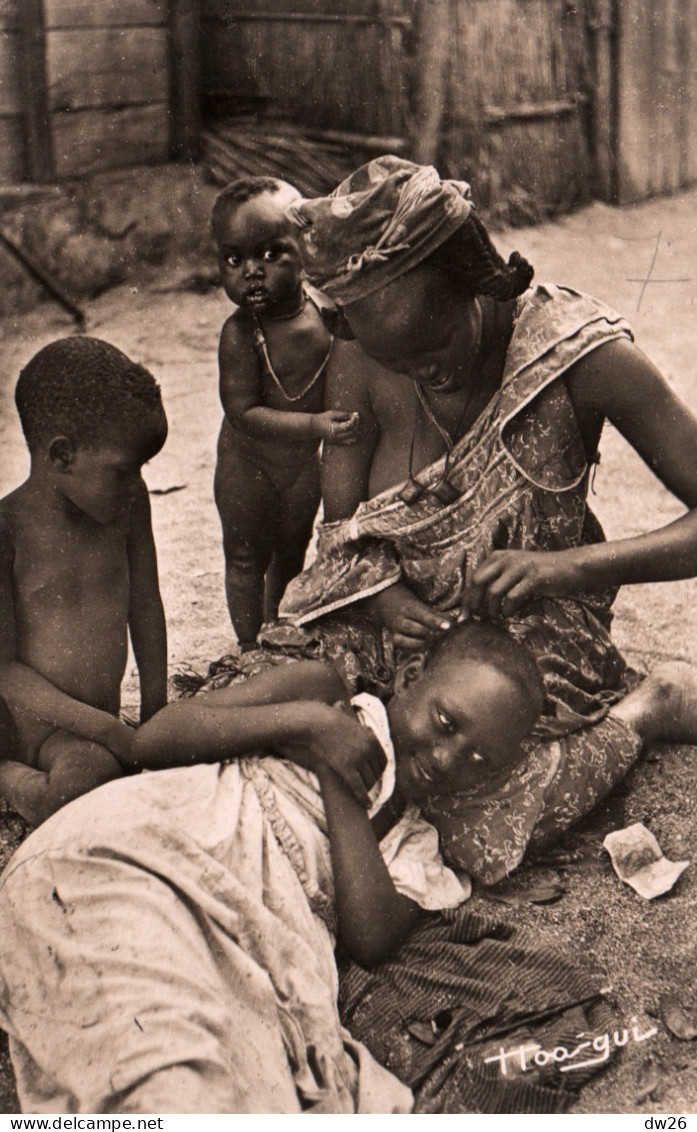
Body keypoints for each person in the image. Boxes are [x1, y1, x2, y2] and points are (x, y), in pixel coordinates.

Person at [277, 155, 697, 883]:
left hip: (528, 640)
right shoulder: (358, 354)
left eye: (437, 347)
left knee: (472, 814)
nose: (425, 375)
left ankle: (645, 709)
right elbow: (339, 530)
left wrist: (562, 567)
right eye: (400, 363)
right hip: (391, 620)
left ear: (477, 287)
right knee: (271, 712)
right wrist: (380, 596)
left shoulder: (578, 357)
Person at [0, 620, 542, 1114]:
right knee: (161, 1059)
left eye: (479, 761)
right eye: (446, 723)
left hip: (246, 939)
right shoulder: (321, 693)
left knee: (231, 1078)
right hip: (149, 854)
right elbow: (153, 741)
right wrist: (308, 725)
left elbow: (371, 936)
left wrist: (337, 781)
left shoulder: (414, 843)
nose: (449, 758)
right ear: (410, 676)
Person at [0, 336, 168, 825]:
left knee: (100, 772)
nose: (136, 484)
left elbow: (145, 606)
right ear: (61, 456)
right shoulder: (8, 530)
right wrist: (111, 732)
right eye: (123, 470)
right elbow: (5, 671)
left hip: (80, 732)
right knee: (85, 787)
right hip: (28, 725)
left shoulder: (128, 507)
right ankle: (9, 778)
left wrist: (155, 711)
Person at [212, 176, 361, 650]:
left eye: (271, 255)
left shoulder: (326, 313)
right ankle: (247, 646)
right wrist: (315, 425)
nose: (251, 272)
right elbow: (243, 413)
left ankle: (276, 629)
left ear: (306, 252)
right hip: (246, 464)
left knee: (291, 550)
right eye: (235, 260)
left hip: (300, 468)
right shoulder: (240, 334)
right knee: (243, 556)